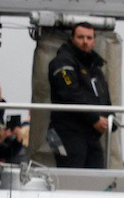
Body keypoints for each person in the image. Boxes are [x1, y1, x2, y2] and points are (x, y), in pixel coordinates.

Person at [46, 23, 112, 169]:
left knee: (96, 182)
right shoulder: (62, 62)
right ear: (72, 39)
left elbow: (104, 97)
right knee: (72, 181)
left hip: (91, 134)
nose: (85, 41)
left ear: (94, 41)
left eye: (89, 38)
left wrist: (110, 118)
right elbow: (69, 93)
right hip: (67, 132)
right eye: (80, 37)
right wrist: (94, 118)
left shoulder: (95, 68)